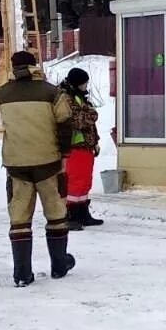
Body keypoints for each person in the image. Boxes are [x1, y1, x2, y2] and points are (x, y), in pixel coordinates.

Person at [0, 50, 76, 287]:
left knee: (19, 218)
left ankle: (22, 273)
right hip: (48, 163)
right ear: (34, 66)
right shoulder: (52, 93)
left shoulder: (2, 94)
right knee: (55, 213)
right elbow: (65, 124)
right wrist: (64, 154)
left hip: (16, 165)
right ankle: (59, 265)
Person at [57, 66, 104, 230]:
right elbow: (77, 120)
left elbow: (90, 123)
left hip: (86, 146)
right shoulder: (65, 98)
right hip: (74, 146)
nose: (86, 86)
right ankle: (69, 214)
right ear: (77, 83)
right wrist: (91, 114)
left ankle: (83, 212)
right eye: (84, 83)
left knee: (85, 182)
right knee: (74, 182)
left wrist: (95, 141)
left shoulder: (79, 97)